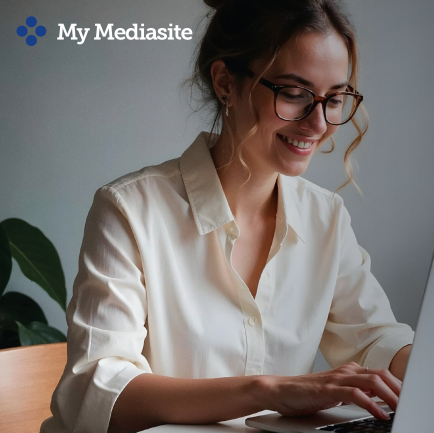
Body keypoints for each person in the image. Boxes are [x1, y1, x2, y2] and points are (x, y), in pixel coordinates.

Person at [41, 1, 414, 432]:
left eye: (334, 99)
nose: (319, 123)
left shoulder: (325, 217)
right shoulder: (130, 210)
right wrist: (267, 390)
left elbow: (375, 339)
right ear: (225, 83)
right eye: (294, 93)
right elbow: (96, 389)